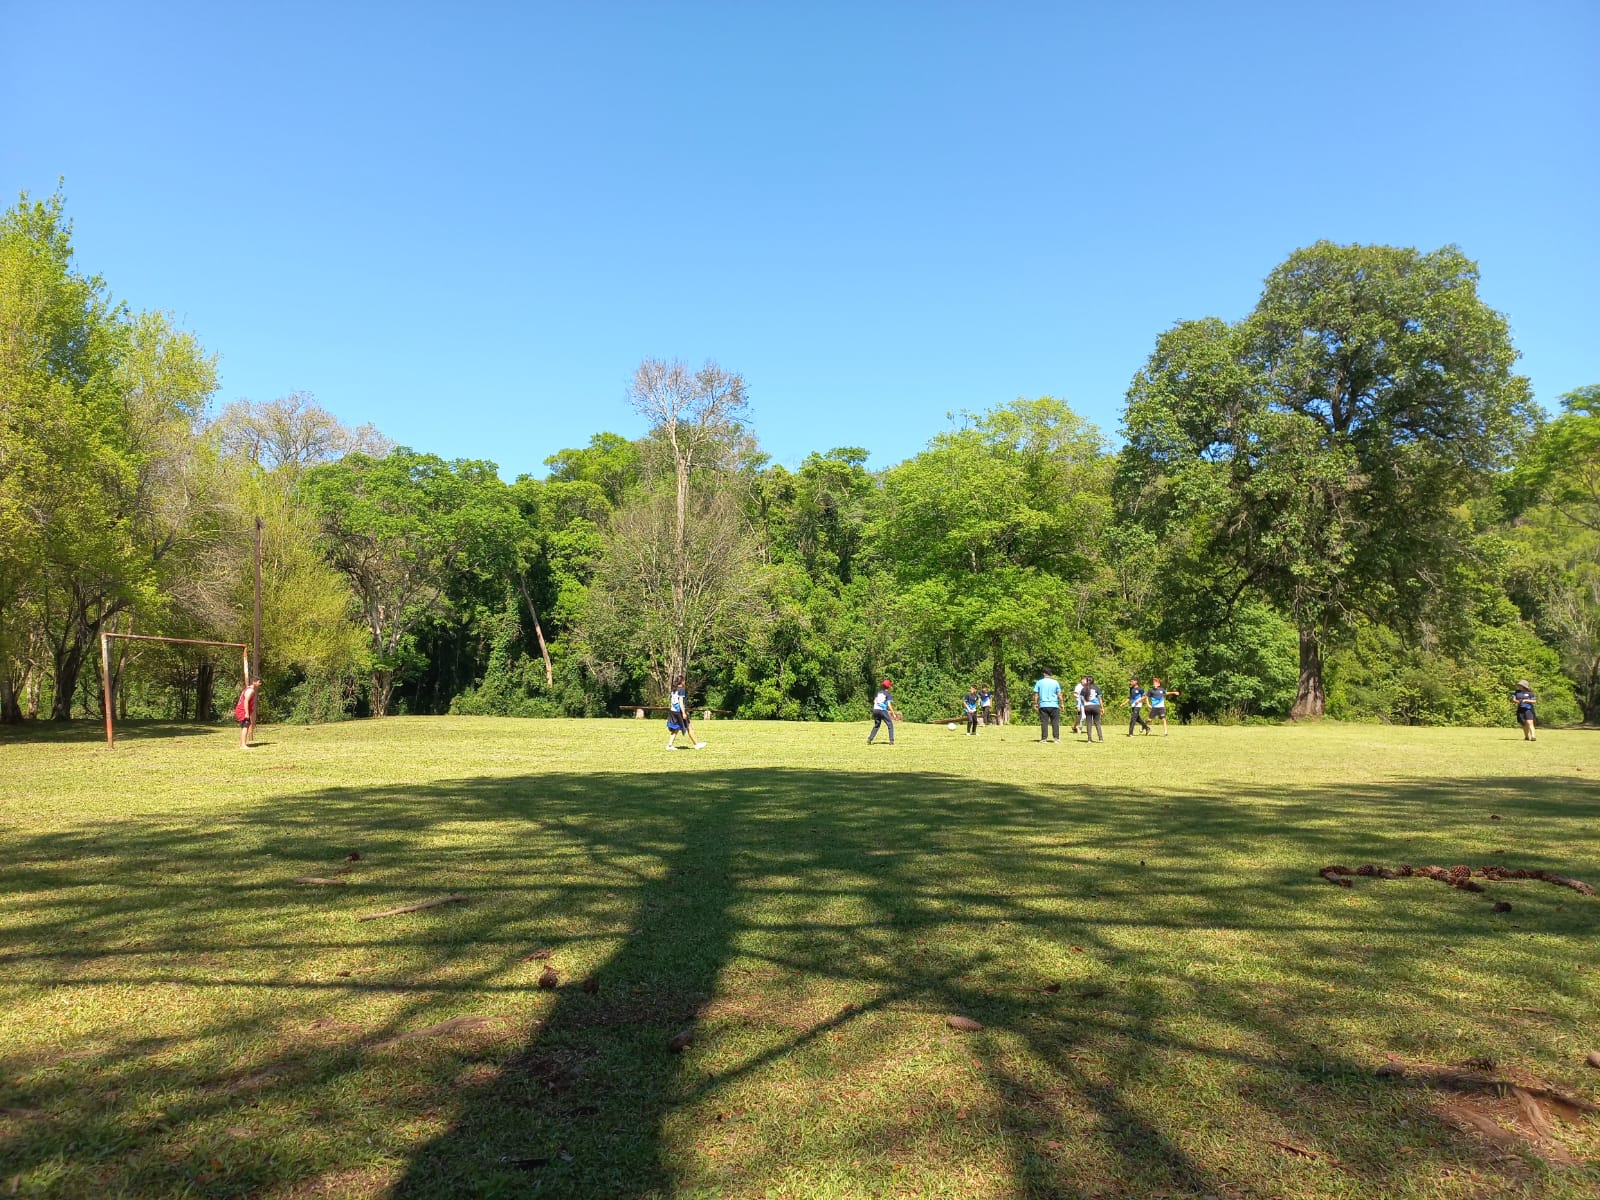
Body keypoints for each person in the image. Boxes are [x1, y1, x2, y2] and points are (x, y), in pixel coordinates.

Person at [666, 677, 706, 750]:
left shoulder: (674, 689)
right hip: (679, 712)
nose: (685, 682)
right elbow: (681, 702)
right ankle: (696, 744)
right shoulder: (682, 689)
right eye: (684, 681)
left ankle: (669, 745)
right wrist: (684, 713)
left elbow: (672, 701)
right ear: (682, 682)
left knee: (676, 728)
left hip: (673, 711)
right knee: (689, 727)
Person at [1032, 670, 1063, 742]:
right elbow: (1059, 694)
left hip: (1043, 705)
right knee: (1055, 722)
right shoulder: (1055, 682)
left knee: (1044, 722)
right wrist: (1062, 703)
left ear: (1044, 673)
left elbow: (1036, 694)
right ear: (1050, 674)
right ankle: (1056, 738)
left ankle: (1044, 738)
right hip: (1054, 705)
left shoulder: (1039, 682)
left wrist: (1035, 703)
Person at [234, 678, 262, 749]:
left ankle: (242, 744)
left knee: (245, 726)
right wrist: (246, 713)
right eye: (259, 682)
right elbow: (246, 701)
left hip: (241, 710)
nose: (260, 684)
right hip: (242, 710)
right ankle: (243, 745)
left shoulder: (247, 689)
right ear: (254, 682)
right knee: (245, 726)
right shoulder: (251, 690)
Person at [868, 679, 897, 745]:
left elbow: (874, 701)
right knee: (890, 724)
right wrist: (893, 713)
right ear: (889, 686)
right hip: (882, 710)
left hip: (875, 710)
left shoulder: (878, 692)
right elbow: (889, 705)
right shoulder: (888, 694)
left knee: (877, 725)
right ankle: (891, 740)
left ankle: (870, 739)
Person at [1080, 676, 1104, 742]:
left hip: (1087, 706)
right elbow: (1100, 699)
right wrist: (1102, 708)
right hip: (1096, 706)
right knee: (1097, 722)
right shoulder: (1096, 688)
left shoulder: (1083, 689)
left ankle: (1089, 739)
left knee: (1089, 723)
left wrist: (1084, 704)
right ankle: (1100, 738)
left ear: (1087, 681)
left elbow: (1081, 698)